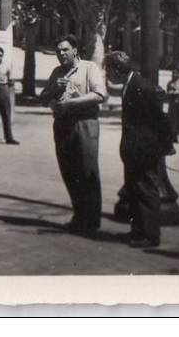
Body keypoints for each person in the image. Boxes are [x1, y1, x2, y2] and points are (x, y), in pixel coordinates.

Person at [105, 51, 174, 249]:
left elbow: (161, 120)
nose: (107, 75)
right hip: (134, 149)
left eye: (108, 70)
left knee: (147, 190)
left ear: (117, 69)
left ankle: (151, 236)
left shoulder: (142, 86)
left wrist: (164, 146)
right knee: (135, 189)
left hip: (144, 150)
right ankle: (138, 231)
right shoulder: (130, 84)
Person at [42, 34, 106, 236]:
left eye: (65, 49)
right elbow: (43, 98)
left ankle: (92, 221)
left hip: (84, 123)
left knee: (87, 172)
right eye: (58, 51)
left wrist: (71, 103)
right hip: (62, 125)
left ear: (75, 50)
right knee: (69, 172)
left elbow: (99, 94)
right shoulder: (56, 72)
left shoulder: (89, 68)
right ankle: (79, 216)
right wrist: (54, 88)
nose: (61, 54)